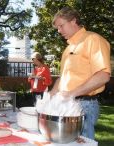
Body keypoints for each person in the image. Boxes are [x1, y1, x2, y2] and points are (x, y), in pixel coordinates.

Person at [50, 7, 111, 139]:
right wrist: (50, 97)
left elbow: (103, 75)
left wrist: (71, 94)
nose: (59, 31)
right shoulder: (68, 49)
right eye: (57, 28)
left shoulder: (93, 39)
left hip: (84, 105)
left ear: (73, 21)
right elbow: (62, 78)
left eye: (61, 26)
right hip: (66, 104)